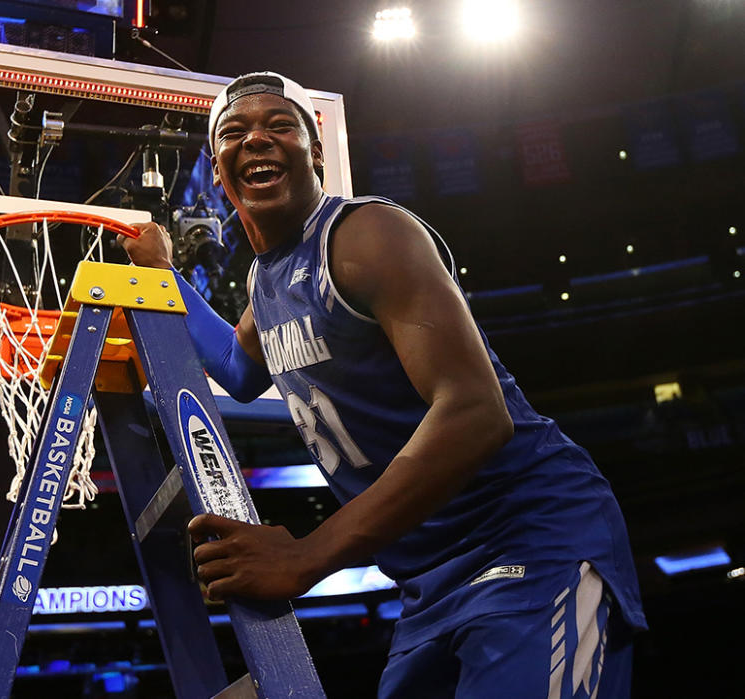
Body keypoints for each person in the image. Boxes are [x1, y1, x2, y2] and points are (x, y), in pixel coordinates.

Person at [119, 72, 646, 698]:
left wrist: (305, 556)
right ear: (217, 169)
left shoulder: (365, 236)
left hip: (532, 543)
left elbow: (477, 412)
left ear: (316, 152)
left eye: (279, 125)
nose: (255, 138)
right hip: (428, 580)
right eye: (234, 132)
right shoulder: (267, 281)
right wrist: (164, 276)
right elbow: (237, 372)